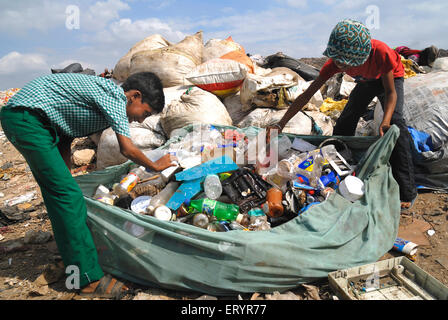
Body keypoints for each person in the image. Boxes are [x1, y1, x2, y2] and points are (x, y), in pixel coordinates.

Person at [0, 71, 177, 299]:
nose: (141, 120)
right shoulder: (114, 94)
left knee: (62, 194)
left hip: (33, 121)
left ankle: (71, 259)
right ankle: (88, 280)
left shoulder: (101, 100)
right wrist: (156, 165)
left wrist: (66, 171)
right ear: (134, 96)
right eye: (145, 112)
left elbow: (64, 129)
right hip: (28, 120)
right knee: (68, 197)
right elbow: (127, 148)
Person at [268, 19, 418, 212]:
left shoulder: (382, 53)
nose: (344, 68)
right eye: (341, 64)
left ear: (362, 57)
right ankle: (343, 165)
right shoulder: (334, 63)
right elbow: (306, 95)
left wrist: (386, 120)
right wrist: (281, 124)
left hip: (390, 79)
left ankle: (407, 191)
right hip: (367, 81)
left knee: (397, 126)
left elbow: (391, 93)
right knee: (346, 120)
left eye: (348, 65)